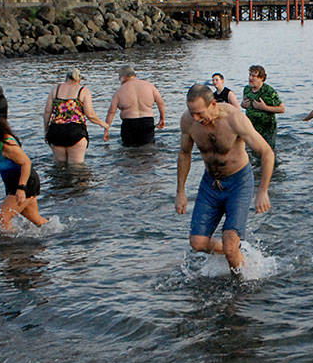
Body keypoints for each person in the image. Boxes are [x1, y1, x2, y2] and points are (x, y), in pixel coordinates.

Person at [176, 84, 274, 271]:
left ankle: (241, 284)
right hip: (210, 184)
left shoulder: (234, 119)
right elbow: (184, 154)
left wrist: (263, 191)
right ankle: (237, 255)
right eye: (191, 112)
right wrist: (180, 191)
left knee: (230, 244)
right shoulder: (188, 121)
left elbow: (266, 152)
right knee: (197, 243)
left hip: (239, 182)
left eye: (199, 113)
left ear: (213, 104)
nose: (195, 118)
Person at [42, 68, 109, 164]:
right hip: (76, 131)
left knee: (59, 167)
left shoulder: (55, 89)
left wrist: (46, 130)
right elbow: (90, 114)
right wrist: (104, 125)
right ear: (79, 79)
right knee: (77, 168)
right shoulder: (83, 90)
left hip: (55, 131)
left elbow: (47, 112)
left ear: (66, 78)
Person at [105, 64, 166, 146]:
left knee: (129, 150)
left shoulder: (119, 91)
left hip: (129, 124)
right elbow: (160, 102)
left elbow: (111, 112)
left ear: (123, 77)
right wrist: (162, 118)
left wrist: (106, 130)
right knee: (148, 147)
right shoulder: (149, 86)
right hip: (147, 122)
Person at [241, 64, 284, 150]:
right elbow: (244, 104)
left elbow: (282, 109)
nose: (250, 78)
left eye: (254, 76)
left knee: (267, 152)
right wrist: (243, 105)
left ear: (261, 78)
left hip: (267, 129)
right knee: (253, 152)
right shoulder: (247, 89)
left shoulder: (268, 91)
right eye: (250, 75)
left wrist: (264, 108)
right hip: (252, 127)